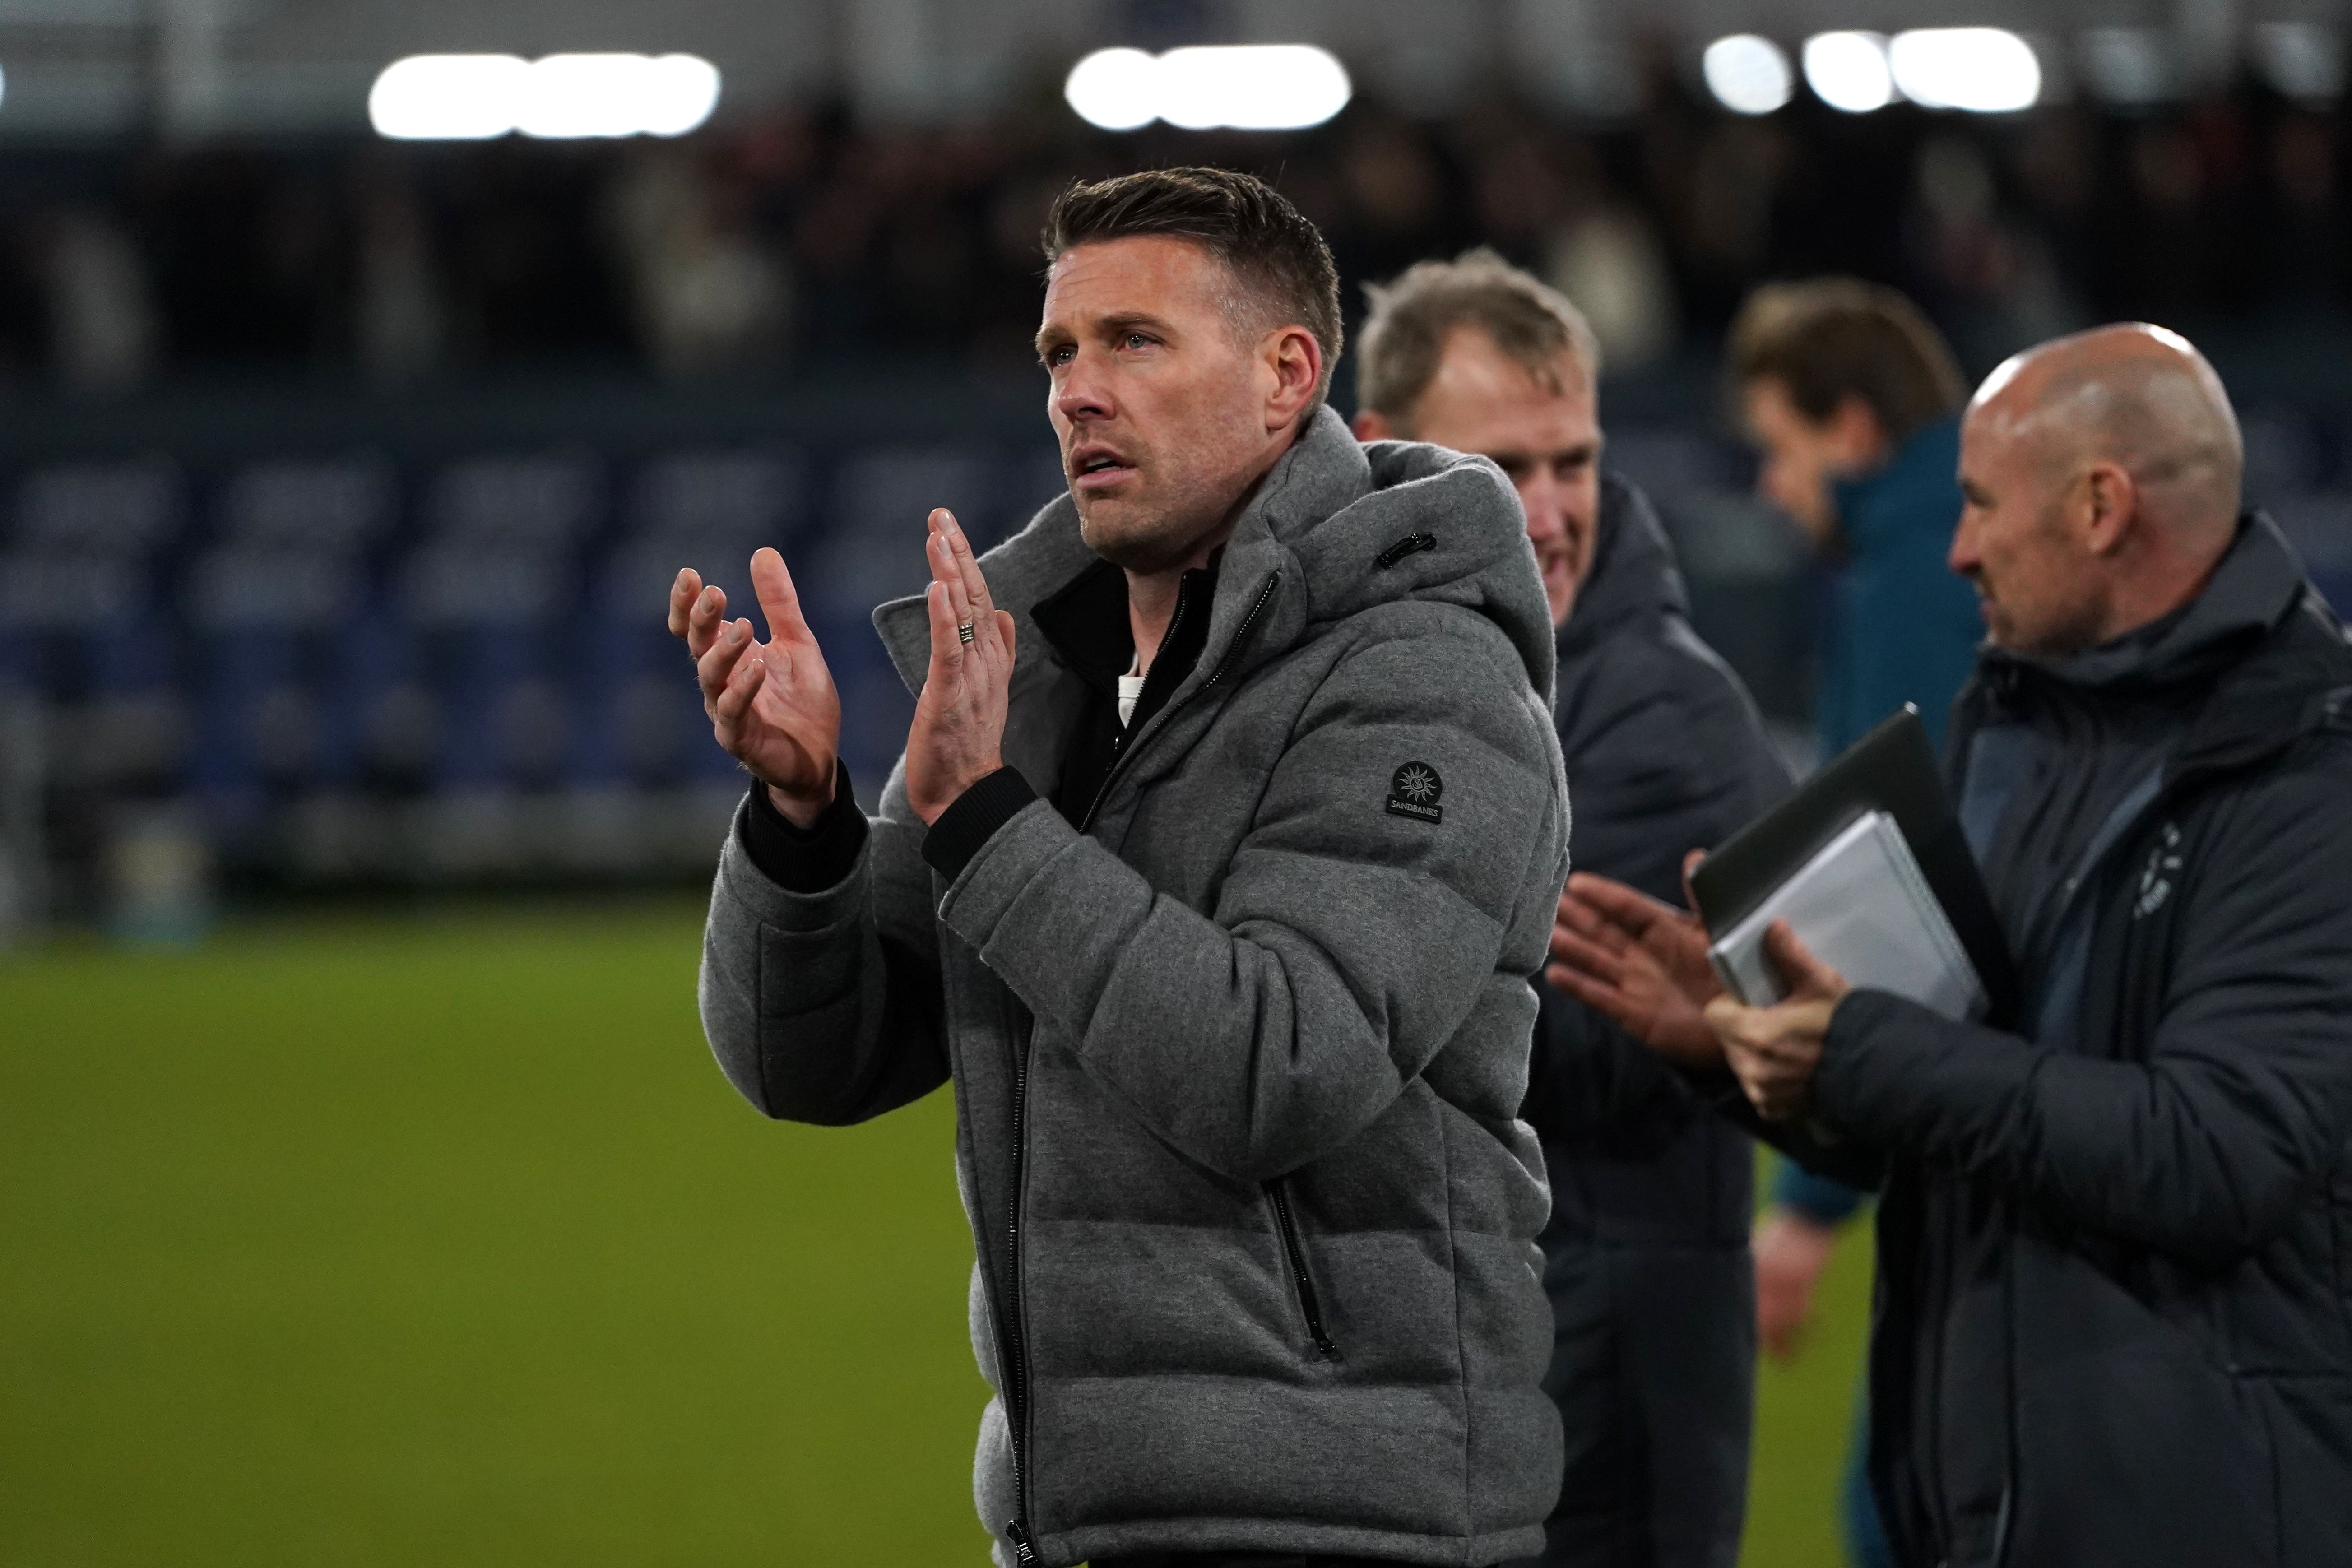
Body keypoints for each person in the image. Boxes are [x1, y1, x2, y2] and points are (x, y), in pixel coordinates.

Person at [668, 168, 1571, 1568]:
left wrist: (984, 824)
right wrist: (802, 822)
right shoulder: (1033, 678)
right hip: (1076, 1519)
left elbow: (1278, 1062)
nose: (1076, 392)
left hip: (1350, 1518)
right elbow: (813, 1064)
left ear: (1286, 377)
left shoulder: (1422, 669)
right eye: (1059, 353)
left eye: (1133, 342)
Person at [1551, 323, 2352, 1568]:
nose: (1956, 546)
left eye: (1980, 503)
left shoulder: (2306, 773)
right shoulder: (2010, 722)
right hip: (1979, 1505)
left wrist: (1862, 1042)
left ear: (2099, 506)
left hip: (2195, 1512)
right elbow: (1954, 1108)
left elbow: (2215, 1151)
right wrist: (1732, 1032)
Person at [1352, 250, 1788, 1568]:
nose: (1547, 510)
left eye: (1573, 461)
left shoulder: (1658, 713)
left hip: (1596, 1373)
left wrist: (1295, 1001)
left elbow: (1575, 1044)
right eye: (1507, 466)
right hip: (1465, 1355)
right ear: (1377, 450)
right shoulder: (1404, 673)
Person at [1727, 278, 1986, 1568]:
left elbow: (1891, 888)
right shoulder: (1980, 524)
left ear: (1850, 428)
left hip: (1980, 1114)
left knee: (1910, 1510)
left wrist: (1811, 1198)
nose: (1775, 491)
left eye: (1780, 448)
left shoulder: (1914, 569)